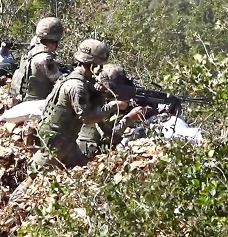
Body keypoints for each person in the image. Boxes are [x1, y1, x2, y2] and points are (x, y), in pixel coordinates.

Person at [31, 39, 127, 169]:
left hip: (65, 139)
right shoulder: (77, 86)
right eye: (99, 65)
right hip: (56, 141)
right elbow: (87, 118)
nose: (101, 69)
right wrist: (114, 106)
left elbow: (99, 120)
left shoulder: (77, 80)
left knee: (83, 168)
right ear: (92, 66)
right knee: (38, 173)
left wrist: (116, 138)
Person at [76, 64, 147, 160]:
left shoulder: (104, 100)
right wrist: (130, 118)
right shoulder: (93, 99)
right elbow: (110, 136)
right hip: (88, 151)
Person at [10, 17, 65, 103]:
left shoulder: (34, 45)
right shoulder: (44, 59)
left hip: (21, 98)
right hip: (35, 103)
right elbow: (61, 82)